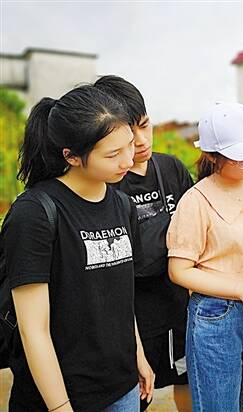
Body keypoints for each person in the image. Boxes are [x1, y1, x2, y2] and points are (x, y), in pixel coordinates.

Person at [0, 85, 154, 411]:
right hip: (59, 396)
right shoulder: (35, 214)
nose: (128, 160)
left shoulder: (123, 205)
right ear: (71, 156)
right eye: (112, 154)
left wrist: (138, 356)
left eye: (129, 145)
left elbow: (121, 297)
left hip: (123, 389)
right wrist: (60, 407)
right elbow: (33, 330)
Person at [167, 102, 243, 412]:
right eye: (241, 156)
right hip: (216, 317)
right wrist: (241, 289)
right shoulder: (196, 201)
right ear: (212, 156)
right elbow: (179, 270)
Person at [94, 75, 194, 411]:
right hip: (131, 318)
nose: (140, 141)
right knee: (137, 395)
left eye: (145, 126)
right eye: (128, 132)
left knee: (187, 381)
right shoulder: (105, 185)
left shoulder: (171, 168)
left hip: (178, 307)